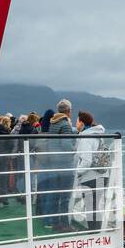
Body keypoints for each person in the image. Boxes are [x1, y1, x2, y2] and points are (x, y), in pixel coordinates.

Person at [46, 99, 76, 233]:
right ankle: (65, 225)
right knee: (65, 196)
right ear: (69, 111)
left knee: (55, 194)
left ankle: (55, 223)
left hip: (53, 163)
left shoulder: (53, 123)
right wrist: (74, 148)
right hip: (65, 164)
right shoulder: (65, 124)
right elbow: (67, 145)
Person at [74, 109, 107, 229]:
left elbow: (86, 161)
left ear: (82, 123)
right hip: (103, 175)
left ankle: (94, 233)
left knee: (90, 207)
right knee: (96, 206)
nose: (76, 124)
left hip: (90, 178)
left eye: (77, 121)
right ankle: (97, 231)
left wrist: (76, 172)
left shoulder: (86, 137)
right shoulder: (98, 135)